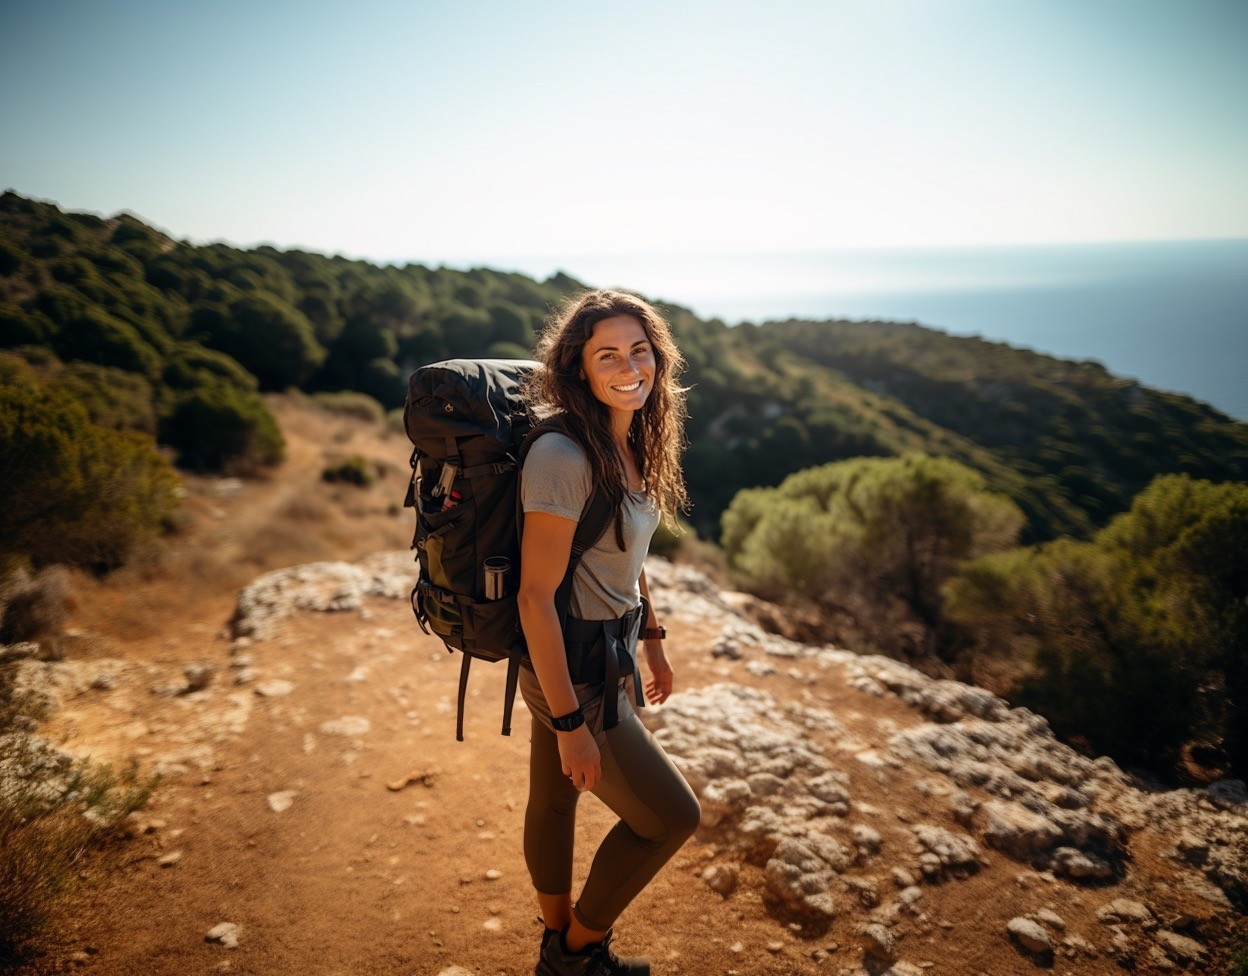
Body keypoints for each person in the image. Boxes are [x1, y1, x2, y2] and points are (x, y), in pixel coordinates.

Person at [516, 289, 702, 976]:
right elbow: (535, 598)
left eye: (639, 350)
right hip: (573, 669)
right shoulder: (565, 457)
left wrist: (651, 636)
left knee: (555, 799)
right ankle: (577, 951)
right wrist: (570, 720)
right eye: (608, 355)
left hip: (605, 653)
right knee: (671, 818)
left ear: (658, 355)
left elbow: (626, 557)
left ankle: (556, 942)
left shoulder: (627, 443)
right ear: (580, 369)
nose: (630, 366)